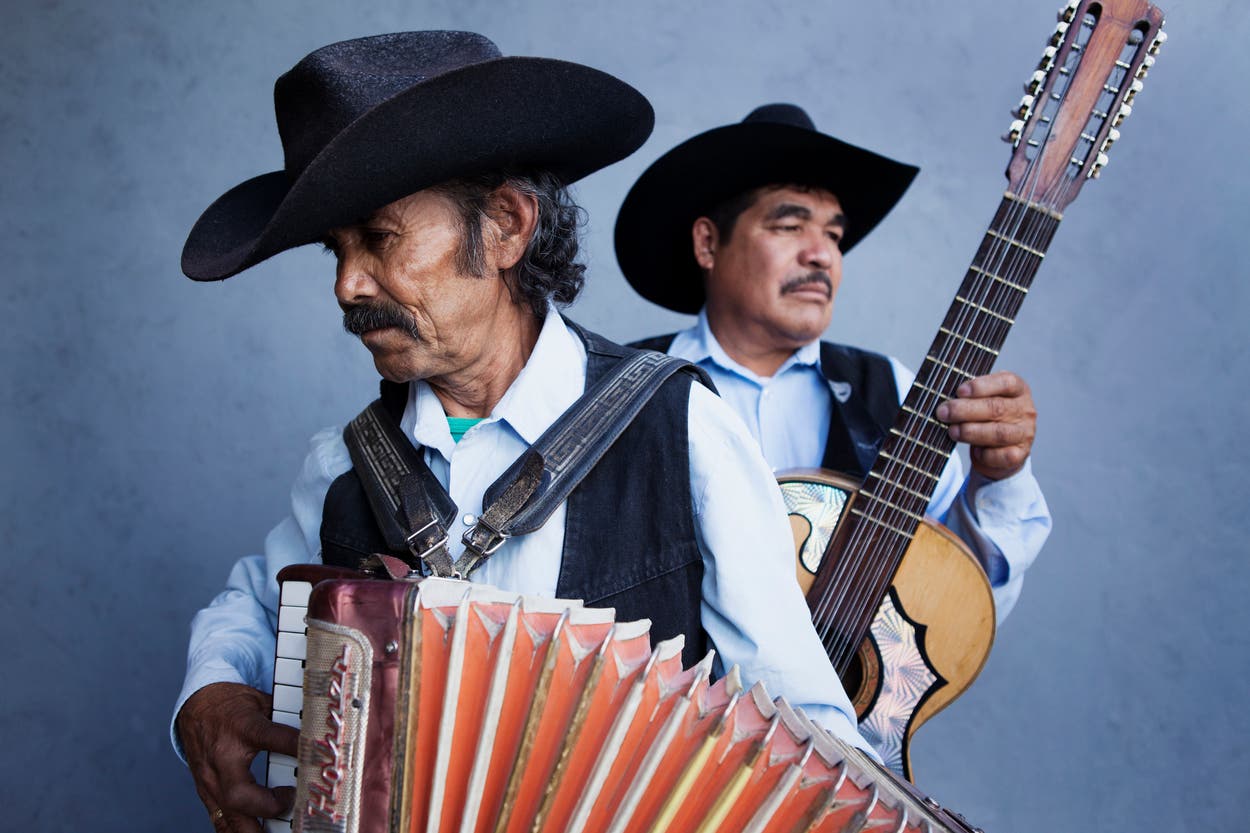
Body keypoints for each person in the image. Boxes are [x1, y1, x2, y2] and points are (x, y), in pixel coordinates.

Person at [172, 36, 872, 832]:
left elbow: (811, 731)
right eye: (337, 250)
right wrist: (210, 689)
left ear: (506, 225)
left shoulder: (681, 431)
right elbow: (252, 604)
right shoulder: (344, 467)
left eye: (379, 237)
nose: (347, 284)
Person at [616, 104, 1051, 622]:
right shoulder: (620, 387)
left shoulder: (891, 389)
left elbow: (959, 607)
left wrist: (998, 479)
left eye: (834, 236)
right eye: (790, 226)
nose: (821, 255)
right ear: (708, 243)